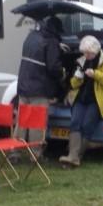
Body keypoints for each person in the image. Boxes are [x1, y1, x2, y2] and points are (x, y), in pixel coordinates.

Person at [59, 35, 103, 167]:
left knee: (87, 125)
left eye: (88, 52)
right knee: (75, 122)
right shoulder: (80, 61)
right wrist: (77, 78)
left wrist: (95, 74)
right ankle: (73, 157)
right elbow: (73, 84)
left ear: (95, 50)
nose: (86, 55)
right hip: (81, 98)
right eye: (84, 52)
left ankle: (75, 156)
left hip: (97, 100)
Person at [16, 17, 64, 159]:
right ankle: (35, 155)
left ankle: (14, 152)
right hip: (39, 89)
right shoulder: (51, 41)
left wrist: (57, 46)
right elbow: (53, 67)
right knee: (36, 123)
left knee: (22, 121)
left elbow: (39, 52)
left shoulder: (31, 36)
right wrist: (62, 73)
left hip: (23, 86)